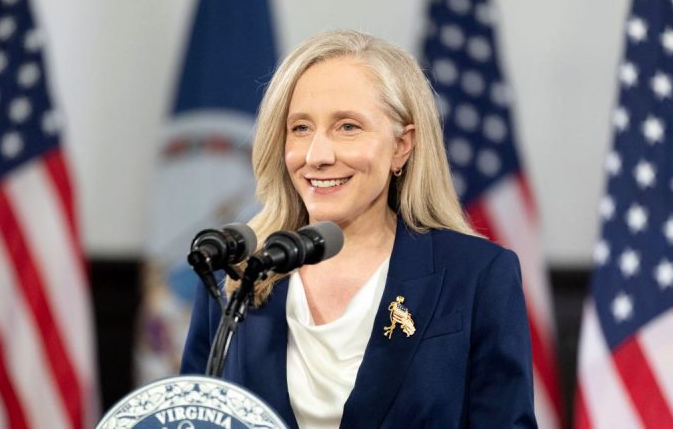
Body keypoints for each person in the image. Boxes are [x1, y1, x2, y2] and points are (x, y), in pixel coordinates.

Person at [180, 29, 537, 429]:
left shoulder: (475, 275)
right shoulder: (237, 274)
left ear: (401, 145)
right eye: (300, 128)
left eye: (347, 127)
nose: (317, 155)